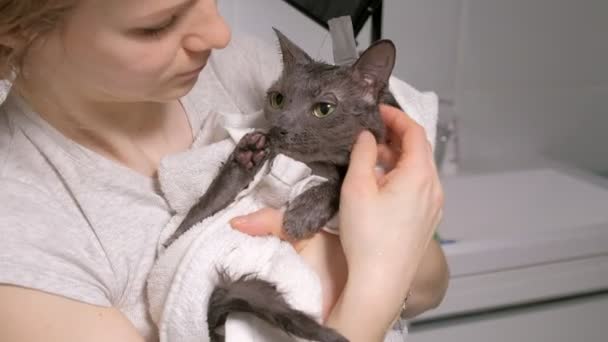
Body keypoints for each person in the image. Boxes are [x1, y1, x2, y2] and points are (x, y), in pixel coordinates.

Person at [0, 0, 448, 341]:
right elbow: (402, 277)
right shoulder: (21, 235)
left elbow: (430, 287)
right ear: (15, 29)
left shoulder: (247, 70)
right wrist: (376, 281)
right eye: (158, 24)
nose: (218, 32)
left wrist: (385, 255)